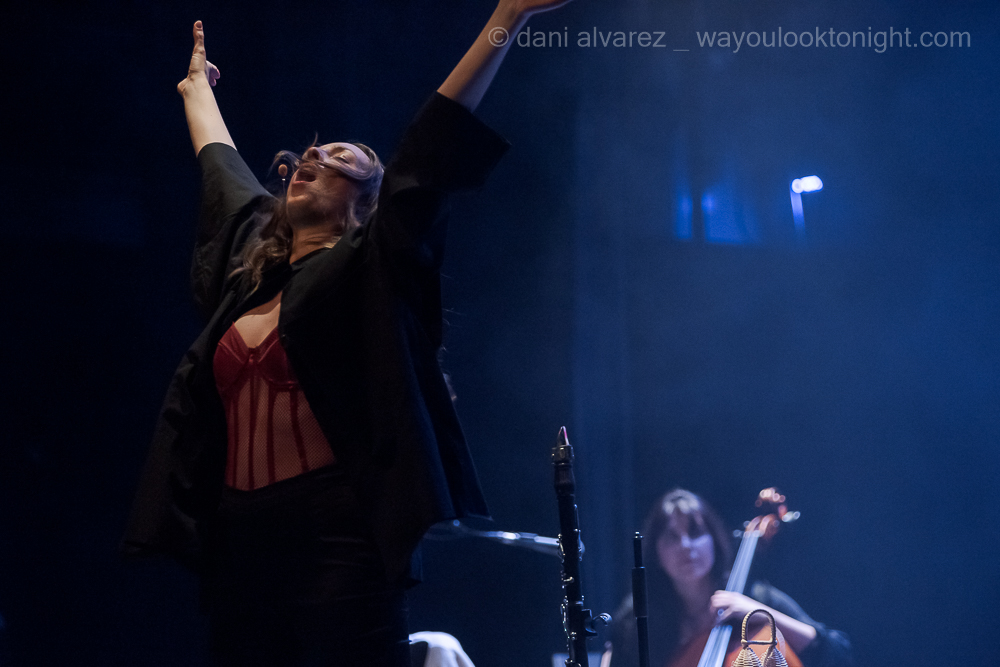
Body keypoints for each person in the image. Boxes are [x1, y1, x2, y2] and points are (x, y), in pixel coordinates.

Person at [122, 3, 572, 666]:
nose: (312, 157)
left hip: (335, 530)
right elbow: (223, 173)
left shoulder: (370, 264)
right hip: (240, 539)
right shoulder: (252, 273)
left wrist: (508, 15)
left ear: (366, 202)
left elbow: (427, 150)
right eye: (310, 153)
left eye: (339, 159)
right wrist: (196, 92)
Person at [609, 489, 853, 667]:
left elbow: (837, 653)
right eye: (672, 537)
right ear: (655, 551)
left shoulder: (753, 596)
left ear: (714, 541)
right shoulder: (637, 616)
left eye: (695, 532)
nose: (686, 545)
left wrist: (761, 613)